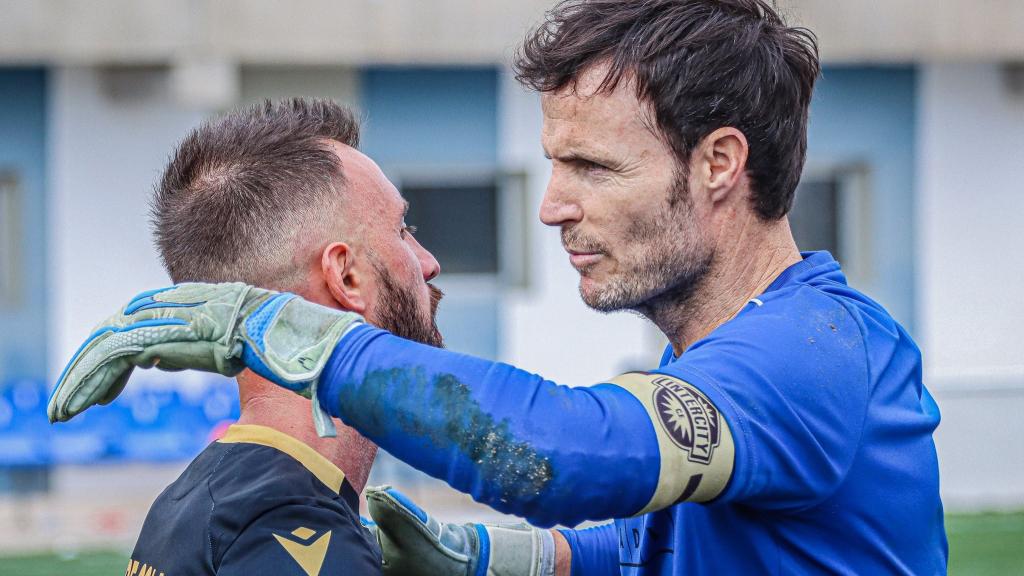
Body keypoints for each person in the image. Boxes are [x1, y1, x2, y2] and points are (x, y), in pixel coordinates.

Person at [49, 1, 948, 574]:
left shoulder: (810, 352)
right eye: (555, 166)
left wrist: (284, 333)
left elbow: (562, 451)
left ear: (718, 164)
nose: (553, 207)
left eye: (593, 166)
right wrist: (503, 557)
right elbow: (665, 543)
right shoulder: (733, 359)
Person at [108, 98, 445, 576]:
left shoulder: (198, 497)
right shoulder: (289, 530)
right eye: (402, 230)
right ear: (345, 276)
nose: (428, 261)